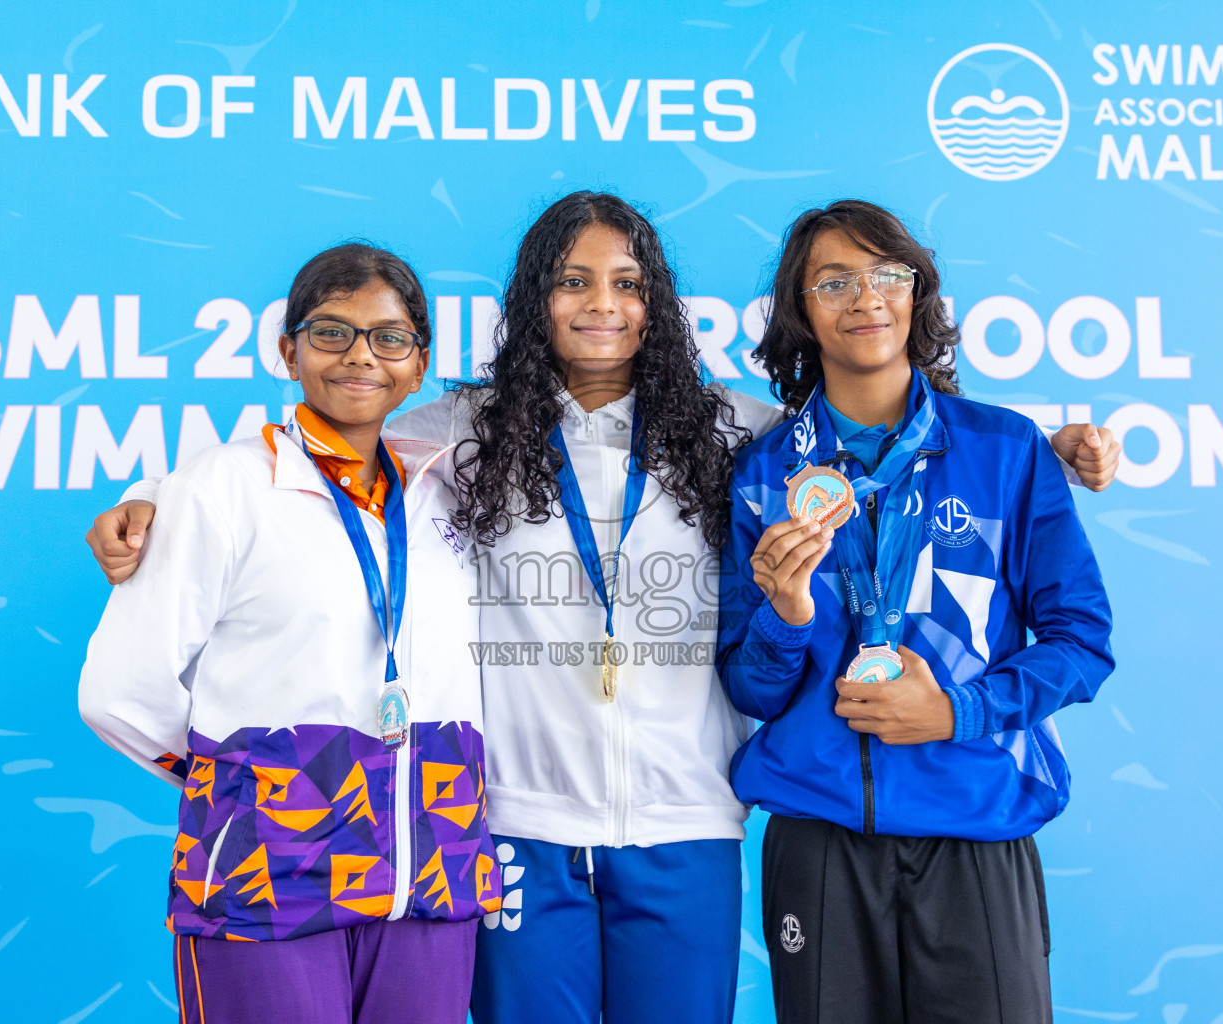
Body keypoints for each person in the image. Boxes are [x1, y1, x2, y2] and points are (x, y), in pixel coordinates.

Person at [86, 192, 1120, 1024]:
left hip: (685, 815)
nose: (601, 303)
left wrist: (1049, 451)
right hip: (518, 823)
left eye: (626, 282)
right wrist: (153, 506)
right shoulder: (460, 432)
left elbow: (874, 429)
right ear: (536, 298)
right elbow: (324, 445)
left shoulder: (732, 432)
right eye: (574, 280)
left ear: (656, 300)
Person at [716, 199, 1116, 1023]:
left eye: (886, 275)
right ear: (801, 311)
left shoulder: (1007, 452)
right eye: (834, 282)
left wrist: (958, 711)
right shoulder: (762, 476)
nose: (865, 298)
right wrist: (785, 616)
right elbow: (751, 691)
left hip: (976, 826)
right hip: (821, 836)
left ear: (917, 293)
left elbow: (1083, 642)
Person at [78, 243, 499, 1024]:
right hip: (271, 873)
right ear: (288, 350)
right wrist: (252, 784)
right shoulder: (223, 484)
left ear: (419, 363)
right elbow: (117, 693)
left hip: (431, 871)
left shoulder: (445, 493)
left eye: (389, 337)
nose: (360, 356)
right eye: (331, 332)